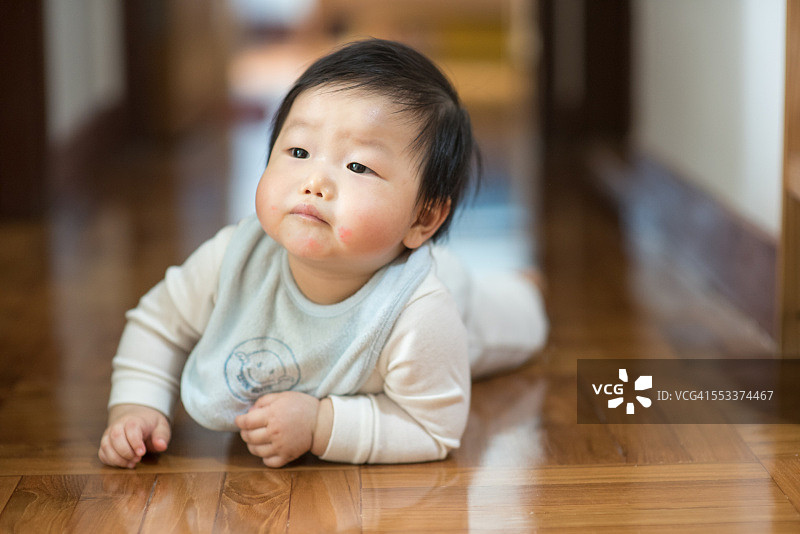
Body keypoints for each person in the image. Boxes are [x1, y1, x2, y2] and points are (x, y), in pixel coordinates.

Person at [98, 38, 548, 469]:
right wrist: (137, 404)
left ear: (422, 219)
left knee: (519, 323)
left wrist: (321, 425)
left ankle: (524, 288)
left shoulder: (423, 311)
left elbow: (434, 430)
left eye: (357, 166)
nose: (315, 181)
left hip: (460, 309)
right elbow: (160, 323)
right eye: (298, 150)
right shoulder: (236, 258)